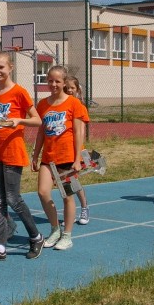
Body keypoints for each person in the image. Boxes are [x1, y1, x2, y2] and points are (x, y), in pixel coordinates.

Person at [0, 50, 44, 263]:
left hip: (13, 151)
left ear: (11, 68)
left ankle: (36, 236)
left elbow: (38, 120)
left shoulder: (19, 92)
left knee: (13, 199)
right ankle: (0, 247)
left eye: (1, 67)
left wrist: (19, 121)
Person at [32, 66, 87, 251]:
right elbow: (40, 132)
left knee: (67, 197)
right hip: (48, 158)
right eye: (50, 81)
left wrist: (78, 158)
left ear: (64, 82)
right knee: (42, 192)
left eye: (57, 81)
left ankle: (67, 235)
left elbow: (79, 132)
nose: (53, 84)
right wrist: (35, 155)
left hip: (68, 158)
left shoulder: (73, 103)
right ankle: (55, 229)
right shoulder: (42, 104)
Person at [64, 75, 91, 225]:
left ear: (77, 89)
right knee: (66, 183)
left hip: (76, 151)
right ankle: (71, 212)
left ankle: (85, 207)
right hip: (64, 150)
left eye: (72, 88)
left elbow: (80, 131)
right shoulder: (63, 105)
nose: (69, 90)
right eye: (66, 88)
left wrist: (78, 155)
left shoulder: (79, 107)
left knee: (73, 181)